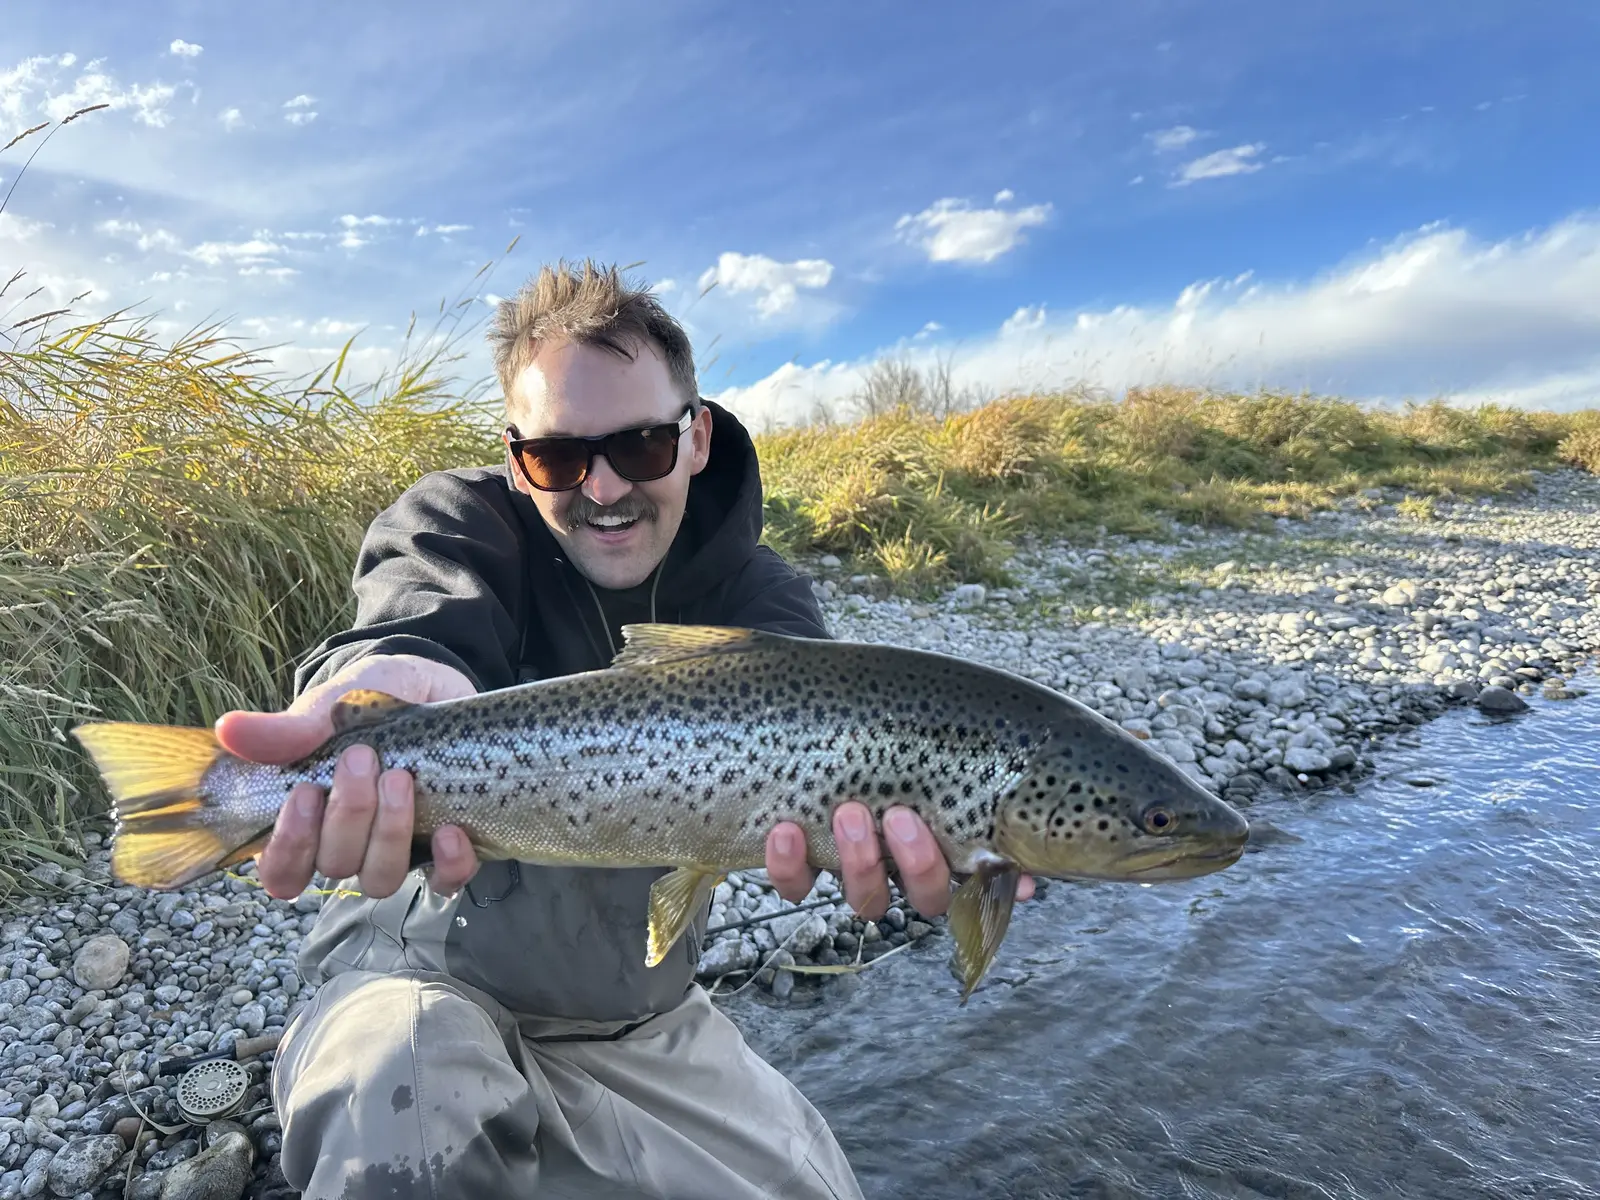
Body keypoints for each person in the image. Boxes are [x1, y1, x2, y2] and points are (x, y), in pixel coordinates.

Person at [216, 260, 1032, 1199]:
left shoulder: (761, 601)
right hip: (415, 985)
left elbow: (843, 765)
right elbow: (411, 620)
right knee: (396, 1114)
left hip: (637, 1020)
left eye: (639, 446)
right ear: (518, 457)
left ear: (696, 438)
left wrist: (914, 837)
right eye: (560, 457)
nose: (602, 487)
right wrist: (374, 686)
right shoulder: (456, 525)